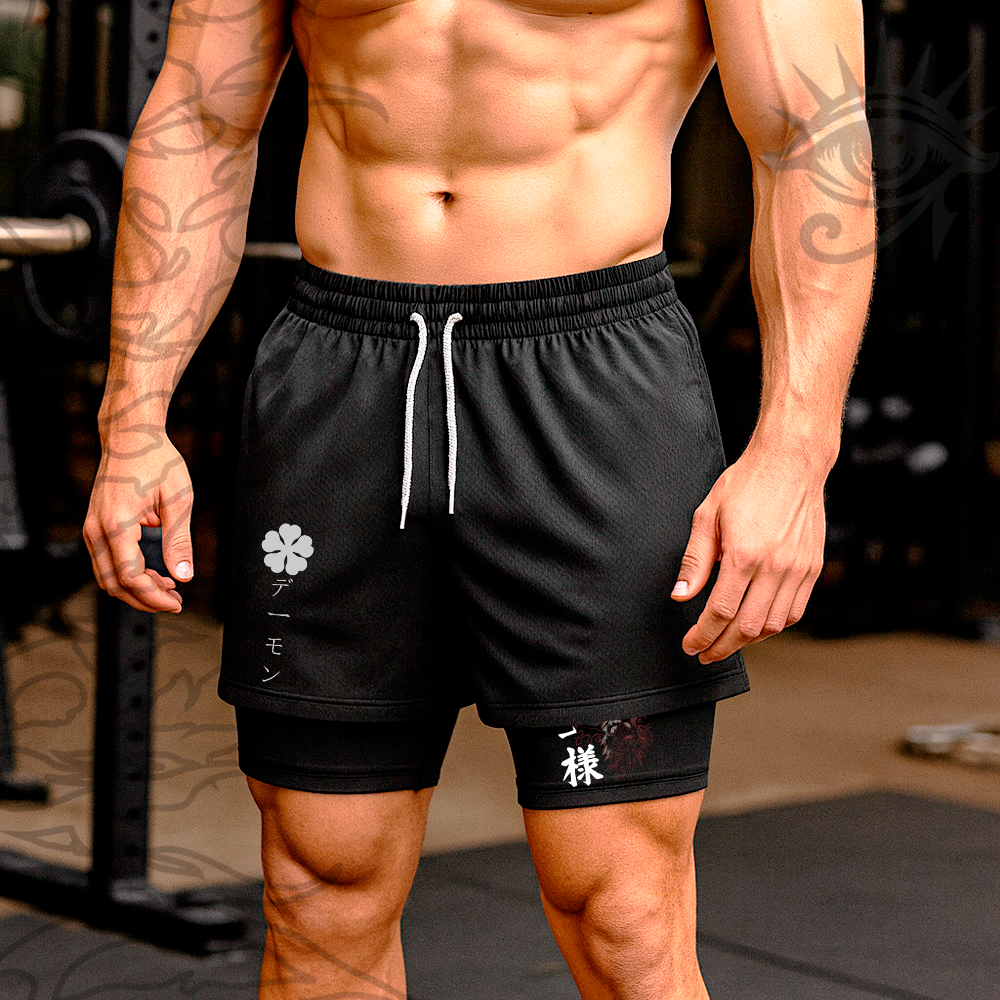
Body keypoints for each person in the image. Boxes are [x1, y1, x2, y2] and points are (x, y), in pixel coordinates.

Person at [83, 0, 875, 997]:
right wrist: (133, 416)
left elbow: (810, 132)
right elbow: (202, 120)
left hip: (591, 386)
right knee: (319, 887)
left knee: (621, 908)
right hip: (342, 377)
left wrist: (796, 454)